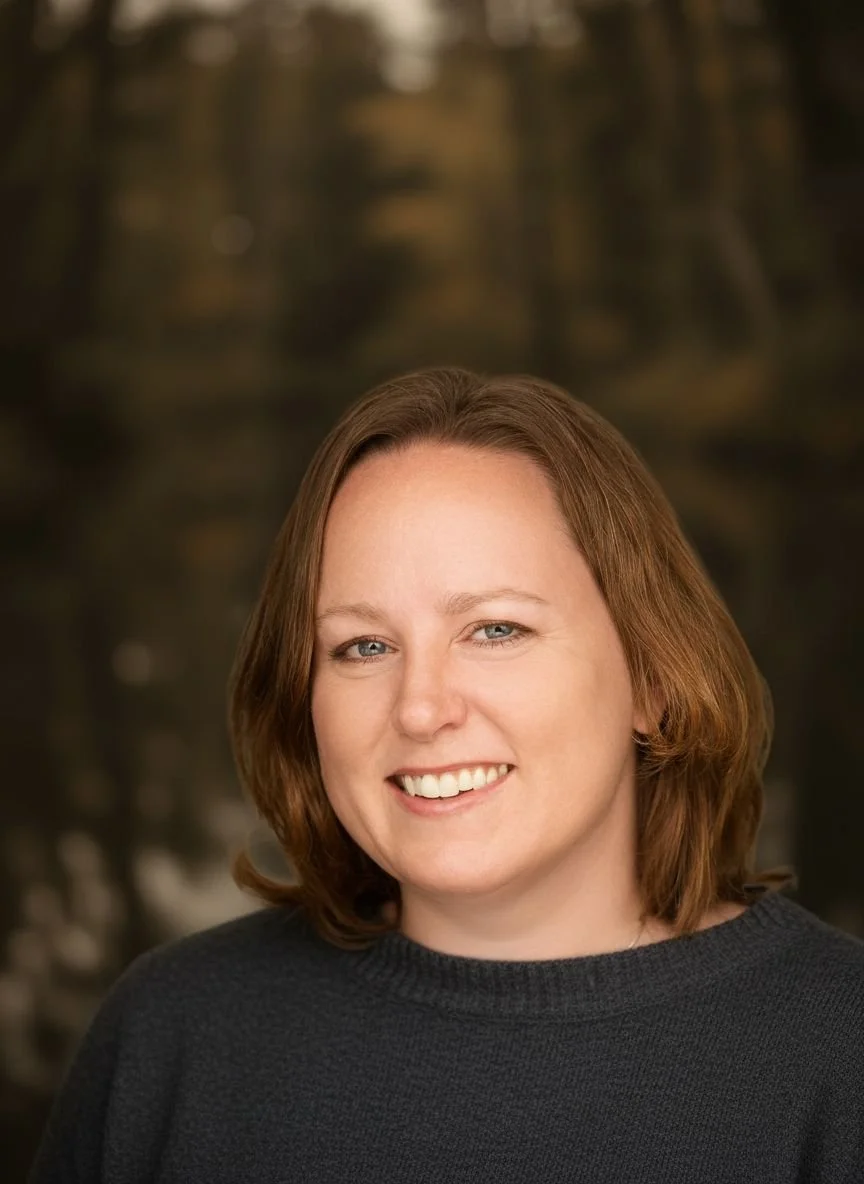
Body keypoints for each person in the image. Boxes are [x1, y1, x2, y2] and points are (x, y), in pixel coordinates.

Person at [30, 367, 864, 1183]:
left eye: (495, 630)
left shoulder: (839, 1053)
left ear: (651, 677)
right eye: (364, 646)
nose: (420, 709)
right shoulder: (172, 1039)